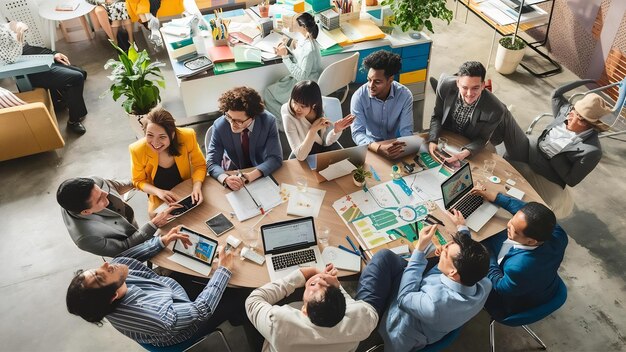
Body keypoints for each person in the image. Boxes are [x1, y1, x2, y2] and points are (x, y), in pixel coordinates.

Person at [66, 226, 246, 347]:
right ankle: (239, 316)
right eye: (99, 276)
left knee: (200, 273)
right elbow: (201, 309)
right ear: (112, 296)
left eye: (95, 270)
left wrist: (164, 240)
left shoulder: (110, 289)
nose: (105, 266)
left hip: (168, 293)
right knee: (242, 294)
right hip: (187, 325)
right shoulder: (156, 317)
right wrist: (223, 270)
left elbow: (126, 258)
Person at [356, 222, 491, 351]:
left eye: (445, 253)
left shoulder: (435, 306)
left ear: (453, 273)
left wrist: (420, 248)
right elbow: (469, 261)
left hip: (400, 322)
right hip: (429, 312)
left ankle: (361, 320)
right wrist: (462, 230)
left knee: (382, 258)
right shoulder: (483, 283)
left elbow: (404, 298)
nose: (443, 247)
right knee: (385, 257)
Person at [490, 81, 612, 217]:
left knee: (509, 146)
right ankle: (486, 146)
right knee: (502, 112)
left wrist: (555, 156)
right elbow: (556, 93)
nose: (569, 116)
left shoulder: (592, 151)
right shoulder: (567, 111)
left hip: (547, 168)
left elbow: (572, 180)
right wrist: (586, 80)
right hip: (532, 147)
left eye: (576, 116)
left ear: (586, 123)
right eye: (573, 110)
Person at [470, 186, 568, 320]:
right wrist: (497, 197)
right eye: (512, 220)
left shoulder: (520, 267)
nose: (508, 225)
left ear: (531, 241)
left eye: (515, 230)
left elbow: (499, 285)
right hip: (543, 286)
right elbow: (528, 213)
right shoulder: (558, 234)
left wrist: (484, 249)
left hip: (511, 303)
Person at [245, 263, 378, 352]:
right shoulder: (361, 318)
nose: (320, 280)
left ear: (303, 310)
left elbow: (252, 301)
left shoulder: (280, 322)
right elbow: (371, 312)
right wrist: (337, 286)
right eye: (327, 286)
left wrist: (302, 274)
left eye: (313, 287)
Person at [57, 176, 180, 257]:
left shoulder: (94, 183)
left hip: (129, 225)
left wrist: (144, 185)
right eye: (100, 198)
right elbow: (124, 249)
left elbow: (118, 186)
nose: (106, 194)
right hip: (128, 244)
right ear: (86, 212)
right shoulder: (86, 239)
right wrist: (154, 224)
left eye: (100, 190)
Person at [0, 21, 88, 134]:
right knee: (76, 77)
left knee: (81, 72)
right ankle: (74, 120)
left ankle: (62, 97)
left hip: (28, 53)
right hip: (22, 65)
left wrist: (18, 25)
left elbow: (12, 26)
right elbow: (11, 58)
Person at [129, 108, 206, 214]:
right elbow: (138, 181)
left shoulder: (187, 136)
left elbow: (200, 165)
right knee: (157, 218)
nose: (155, 143)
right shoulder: (137, 150)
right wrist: (158, 192)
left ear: (172, 135)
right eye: (150, 135)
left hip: (187, 188)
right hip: (159, 196)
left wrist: (197, 186)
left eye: (162, 137)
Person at [428, 61, 508, 162]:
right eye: (465, 87)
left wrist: (466, 152)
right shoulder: (445, 85)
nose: (469, 94)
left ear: (483, 85)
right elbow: (437, 116)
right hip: (445, 135)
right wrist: (433, 139)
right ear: (457, 83)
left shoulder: (495, 109)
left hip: (468, 141)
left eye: (475, 88)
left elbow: (482, 138)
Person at [206, 87, 283, 190]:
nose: (232, 124)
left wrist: (249, 176)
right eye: (229, 117)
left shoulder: (268, 122)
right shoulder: (220, 126)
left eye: (238, 121)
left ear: (253, 116)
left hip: (260, 169)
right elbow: (211, 162)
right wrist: (225, 178)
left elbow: (275, 158)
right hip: (231, 172)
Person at [350, 50, 414, 159]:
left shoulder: (405, 96)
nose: (371, 85)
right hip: (371, 145)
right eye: (369, 80)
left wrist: (400, 149)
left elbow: (406, 132)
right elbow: (357, 133)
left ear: (390, 80)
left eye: (377, 82)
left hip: (396, 145)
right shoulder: (359, 97)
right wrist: (379, 148)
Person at [264, 12, 323, 128]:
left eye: (296, 23)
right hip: (310, 80)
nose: (293, 25)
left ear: (303, 27)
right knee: (276, 86)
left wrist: (285, 56)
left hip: (305, 86)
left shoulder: (308, 50)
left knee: (268, 92)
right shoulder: (310, 40)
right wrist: (288, 46)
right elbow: (300, 56)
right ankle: (287, 119)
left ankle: (283, 124)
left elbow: (302, 77)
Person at [282, 80, 355, 161]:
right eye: (294, 102)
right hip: (303, 153)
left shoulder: (322, 109)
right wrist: (312, 131)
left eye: (303, 106)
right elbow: (300, 156)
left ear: (314, 105)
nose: (296, 108)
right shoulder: (288, 116)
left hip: (320, 153)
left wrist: (336, 131)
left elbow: (325, 143)